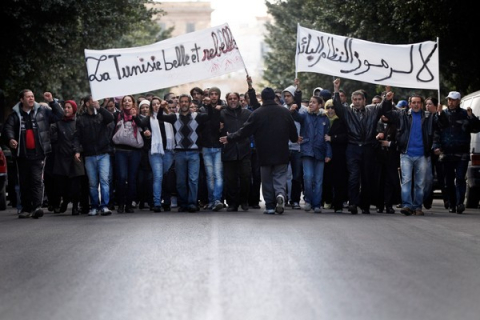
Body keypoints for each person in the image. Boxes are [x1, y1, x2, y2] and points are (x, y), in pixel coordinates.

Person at [220, 87, 298, 215]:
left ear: (261, 98)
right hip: (282, 152)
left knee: (266, 180)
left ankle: (270, 206)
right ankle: (280, 194)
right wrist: (294, 138)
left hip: (264, 153)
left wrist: (229, 138)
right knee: (280, 177)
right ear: (274, 97)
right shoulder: (285, 112)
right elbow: (294, 135)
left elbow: (244, 131)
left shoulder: (257, 113)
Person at [2, 90, 64, 219]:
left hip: (38, 153)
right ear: (21, 100)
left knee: (36, 180)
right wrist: (11, 139)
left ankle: (36, 207)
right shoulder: (15, 115)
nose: (31, 99)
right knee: (24, 182)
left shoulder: (43, 111)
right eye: (28, 97)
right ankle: (26, 208)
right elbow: (7, 129)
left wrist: (52, 102)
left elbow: (59, 115)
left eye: (32, 96)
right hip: (22, 154)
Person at [332, 78, 389, 214]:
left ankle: (365, 204)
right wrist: (336, 89)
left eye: (359, 99)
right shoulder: (348, 112)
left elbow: (384, 107)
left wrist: (387, 94)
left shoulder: (373, 110)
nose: (357, 101)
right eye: (355, 99)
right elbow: (337, 106)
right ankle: (353, 203)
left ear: (364, 101)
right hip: (352, 147)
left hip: (368, 147)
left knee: (367, 177)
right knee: (353, 176)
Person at [158, 94, 221, 212]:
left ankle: (192, 203)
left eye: (186, 101)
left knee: (193, 179)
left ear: (190, 103)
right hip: (179, 153)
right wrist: (161, 107)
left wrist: (208, 105)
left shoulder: (197, 116)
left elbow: (211, 116)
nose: (184, 103)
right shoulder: (174, 117)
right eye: (182, 101)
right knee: (180, 181)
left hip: (194, 152)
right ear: (179, 104)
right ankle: (183, 204)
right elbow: (160, 117)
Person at [384, 94, 436, 216]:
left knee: (420, 183)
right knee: (406, 181)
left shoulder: (428, 116)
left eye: (418, 102)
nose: (416, 104)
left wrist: (439, 113)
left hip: (422, 154)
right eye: (414, 102)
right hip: (406, 154)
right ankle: (407, 205)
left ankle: (418, 207)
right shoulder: (402, 115)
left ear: (422, 104)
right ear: (409, 104)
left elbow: (441, 124)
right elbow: (387, 112)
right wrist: (387, 99)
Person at [433, 91, 480, 213]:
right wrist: (436, 147)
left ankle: (459, 203)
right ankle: (452, 204)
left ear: (459, 101)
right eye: (449, 100)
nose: (451, 102)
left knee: (460, 178)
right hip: (446, 153)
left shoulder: (465, 114)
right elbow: (436, 132)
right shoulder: (442, 114)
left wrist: (471, 117)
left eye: (453, 100)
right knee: (448, 180)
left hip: (462, 153)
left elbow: (476, 128)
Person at [290, 95, 332, 213]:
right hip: (307, 150)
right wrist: (293, 110)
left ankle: (317, 204)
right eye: (310, 102)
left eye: (314, 102)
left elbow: (327, 137)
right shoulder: (305, 116)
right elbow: (296, 116)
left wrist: (328, 153)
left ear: (320, 105)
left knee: (318, 180)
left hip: (320, 151)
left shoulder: (325, 118)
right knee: (308, 177)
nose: (311, 104)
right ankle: (308, 200)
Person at [74, 95, 114, 216]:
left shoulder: (101, 115)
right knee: (92, 182)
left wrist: (100, 108)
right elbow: (77, 136)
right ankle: (94, 206)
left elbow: (110, 118)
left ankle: (105, 206)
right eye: (92, 100)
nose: (95, 101)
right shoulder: (81, 119)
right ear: (87, 103)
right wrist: (77, 150)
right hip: (89, 154)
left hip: (103, 153)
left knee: (104, 180)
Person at [137, 96, 176, 212]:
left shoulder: (170, 117)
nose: (156, 106)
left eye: (158, 103)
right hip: (155, 153)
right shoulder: (148, 119)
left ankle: (167, 202)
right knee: (158, 177)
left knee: (167, 177)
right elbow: (139, 122)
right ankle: (157, 203)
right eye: (153, 104)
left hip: (169, 151)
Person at [51, 100, 85, 215]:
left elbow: (81, 139)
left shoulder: (78, 122)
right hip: (62, 158)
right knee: (63, 184)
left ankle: (75, 206)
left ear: (74, 109)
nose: (66, 109)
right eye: (65, 107)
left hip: (76, 157)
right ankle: (64, 202)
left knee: (76, 184)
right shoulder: (58, 123)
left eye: (69, 107)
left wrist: (78, 151)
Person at [220, 91, 252, 211]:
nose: (232, 100)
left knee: (246, 177)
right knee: (230, 178)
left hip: (244, 150)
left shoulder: (247, 113)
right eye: (230, 99)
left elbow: (251, 129)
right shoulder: (222, 113)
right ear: (227, 100)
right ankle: (232, 203)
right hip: (228, 151)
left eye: (235, 98)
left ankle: (244, 201)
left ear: (239, 99)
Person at [112, 95, 144, 213]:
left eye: (129, 101)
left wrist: (135, 117)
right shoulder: (117, 116)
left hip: (135, 152)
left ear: (133, 103)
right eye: (124, 101)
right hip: (121, 151)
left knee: (132, 179)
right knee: (121, 177)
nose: (126, 103)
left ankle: (129, 204)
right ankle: (121, 204)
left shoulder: (138, 116)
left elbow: (142, 125)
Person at [198, 87, 225, 211]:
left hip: (218, 146)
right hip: (206, 146)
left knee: (218, 174)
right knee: (209, 176)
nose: (214, 96)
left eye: (216, 94)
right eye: (211, 94)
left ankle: (217, 200)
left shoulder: (223, 109)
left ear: (219, 96)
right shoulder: (202, 110)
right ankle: (211, 200)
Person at [323, 98, 348, 213]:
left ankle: (338, 204)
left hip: (338, 154)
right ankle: (327, 200)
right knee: (326, 179)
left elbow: (346, 136)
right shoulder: (322, 119)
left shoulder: (342, 121)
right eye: (328, 107)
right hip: (324, 154)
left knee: (338, 179)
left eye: (333, 107)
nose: (330, 110)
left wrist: (333, 138)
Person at [282, 79, 304, 209]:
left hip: (297, 148)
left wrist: (294, 111)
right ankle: (283, 198)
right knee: (283, 176)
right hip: (284, 147)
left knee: (297, 176)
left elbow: (302, 121)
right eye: (284, 96)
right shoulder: (281, 110)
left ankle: (295, 200)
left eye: (289, 95)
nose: (286, 98)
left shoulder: (302, 110)